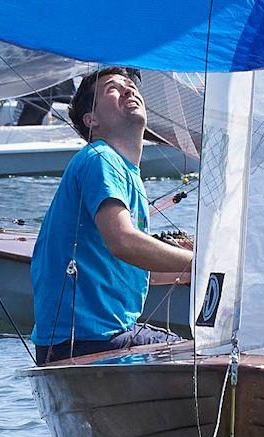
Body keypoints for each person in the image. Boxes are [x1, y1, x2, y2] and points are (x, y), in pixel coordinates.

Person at [31, 67, 193, 365]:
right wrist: (201, 265)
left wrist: (187, 269)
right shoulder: (101, 158)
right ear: (91, 120)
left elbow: (128, 265)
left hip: (81, 343)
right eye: (113, 89)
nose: (129, 90)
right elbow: (122, 242)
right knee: (212, 355)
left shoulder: (125, 172)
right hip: (88, 344)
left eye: (130, 85)